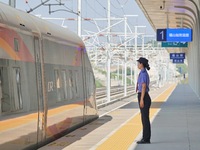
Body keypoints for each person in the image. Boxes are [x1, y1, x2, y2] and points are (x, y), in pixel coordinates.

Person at [136, 57, 151, 144]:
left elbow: (144, 86)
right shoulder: (142, 72)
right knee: (144, 118)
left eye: (138, 63)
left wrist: (141, 99)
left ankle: (146, 139)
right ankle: (145, 137)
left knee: (145, 119)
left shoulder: (143, 73)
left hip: (144, 96)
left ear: (141, 64)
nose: (137, 65)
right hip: (143, 96)